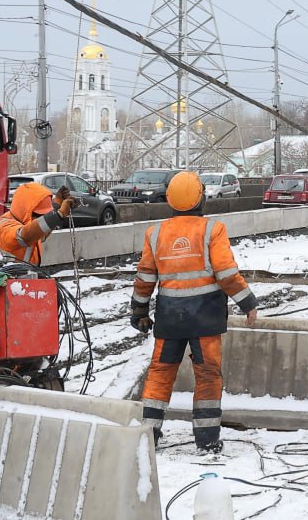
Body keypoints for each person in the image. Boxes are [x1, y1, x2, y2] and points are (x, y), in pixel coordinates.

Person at [131, 171, 258, 452]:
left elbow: (145, 277)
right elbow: (226, 274)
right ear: (201, 198)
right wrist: (247, 302)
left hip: (169, 318)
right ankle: (207, 439)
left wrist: (139, 310)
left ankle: (148, 434)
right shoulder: (213, 230)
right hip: (205, 319)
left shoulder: (156, 234)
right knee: (208, 375)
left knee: (160, 373)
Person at [0, 182, 74, 264]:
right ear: (26, 210)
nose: (40, 219)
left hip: (25, 275)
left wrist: (57, 205)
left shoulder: (28, 224)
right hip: (6, 276)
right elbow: (25, 236)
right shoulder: (4, 227)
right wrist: (59, 214)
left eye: (44, 215)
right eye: (37, 215)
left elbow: (41, 231)